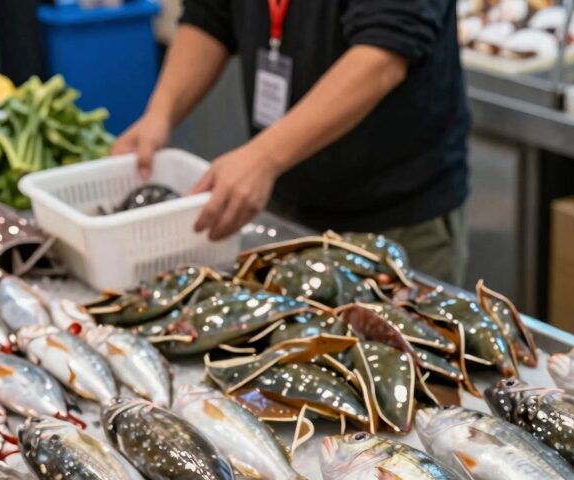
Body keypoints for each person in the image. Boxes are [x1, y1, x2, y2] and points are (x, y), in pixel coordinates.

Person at [113, 1, 470, 284]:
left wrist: (264, 158)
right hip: (285, 204)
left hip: (394, 216)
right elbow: (210, 14)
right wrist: (161, 113)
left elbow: (384, 53)